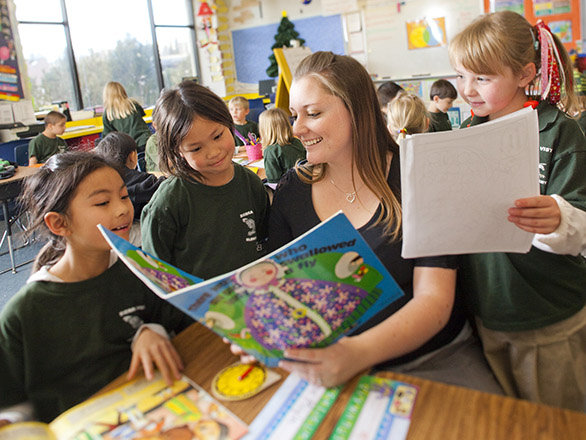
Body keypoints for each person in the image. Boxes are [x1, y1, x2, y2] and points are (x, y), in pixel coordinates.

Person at [235, 51, 502, 394]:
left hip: (432, 360)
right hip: (333, 366)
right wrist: (258, 330)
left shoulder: (418, 174)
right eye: (294, 115)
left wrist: (356, 352)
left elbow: (434, 300)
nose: (297, 129)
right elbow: (285, 293)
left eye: (313, 114)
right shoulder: (292, 190)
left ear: (357, 111)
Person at [449, 11, 586, 411]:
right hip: (486, 310)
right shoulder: (465, 134)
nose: (467, 90)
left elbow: (580, 216)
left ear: (525, 74)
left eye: (482, 78)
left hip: (547, 314)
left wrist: (561, 217)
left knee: (558, 420)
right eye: (460, 76)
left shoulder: (559, 132)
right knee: (509, 420)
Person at [0, 152, 193, 424]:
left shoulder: (139, 270)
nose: (122, 209)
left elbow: (175, 324)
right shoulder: (24, 313)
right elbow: (12, 408)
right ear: (59, 223)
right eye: (103, 202)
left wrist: (150, 330)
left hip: (155, 414)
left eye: (124, 196)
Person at [141, 81, 269, 280]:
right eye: (196, 148)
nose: (214, 152)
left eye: (217, 136)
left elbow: (262, 242)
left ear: (229, 124)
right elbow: (155, 275)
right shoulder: (168, 203)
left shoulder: (251, 184)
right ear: (178, 152)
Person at [94, 132, 165, 245]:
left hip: (99, 230)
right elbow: (166, 187)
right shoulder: (136, 179)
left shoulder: (98, 176)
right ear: (132, 156)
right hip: (122, 233)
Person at [258, 107, 306, 185]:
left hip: (287, 188)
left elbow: (273, 182)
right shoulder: (297, 141)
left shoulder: (271, 150)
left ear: (264, 130)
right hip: (303, 182)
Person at [101, 81, 153, 151]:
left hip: (130, 146)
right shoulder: (133, 104)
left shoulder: (108, 113)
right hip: (146, 140)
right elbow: (142, 114)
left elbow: (107, 135)